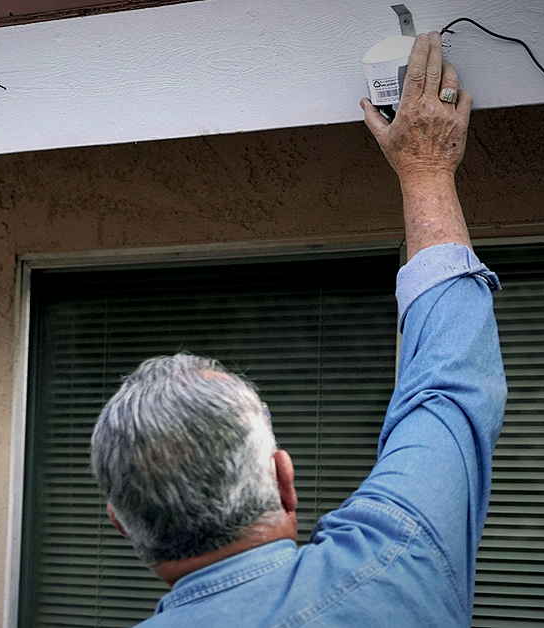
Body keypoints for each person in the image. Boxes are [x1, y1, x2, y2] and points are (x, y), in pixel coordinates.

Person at [90, 32, 507, 627]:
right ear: (284, 482)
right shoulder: (393, 567)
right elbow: (449, 384)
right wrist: (424, 170)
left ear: (122, 523)